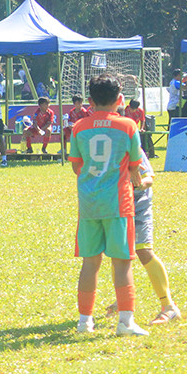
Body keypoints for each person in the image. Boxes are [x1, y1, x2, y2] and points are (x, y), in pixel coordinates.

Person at [68, 75, 147, 336]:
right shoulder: (127, 126)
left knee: (90, 264)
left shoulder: (79, 126)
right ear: (120, 99)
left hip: (89, 204)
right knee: (122, 262)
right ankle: (125, 322)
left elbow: (76, 165)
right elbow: (135, 166)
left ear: (89, 101)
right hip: (119, 204)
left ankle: (84, 322)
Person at [105, 149, 181, 325]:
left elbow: (149, 179)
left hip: (138, 205)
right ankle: (122, 299)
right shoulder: (100, 143)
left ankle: (169, 307)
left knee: (144, 251)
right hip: (115, 205)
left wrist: (135, 184)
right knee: (118, 253)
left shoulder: (130, 145)